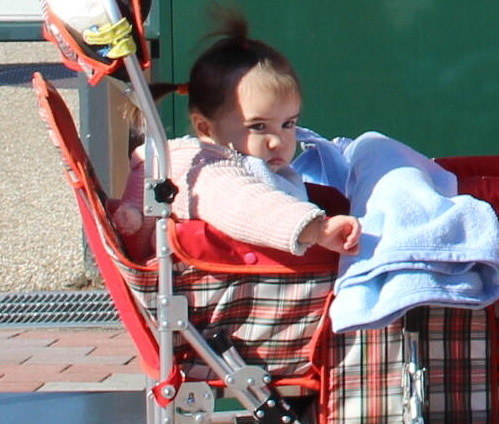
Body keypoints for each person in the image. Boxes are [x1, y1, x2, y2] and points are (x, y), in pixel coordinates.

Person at [110, 19, 361, 258]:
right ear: (205, 128)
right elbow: (247, 206)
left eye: (288, 124)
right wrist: (317, 230)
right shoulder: (205, 172)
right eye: (259, 126)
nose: (278, 141)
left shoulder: (245, 159)